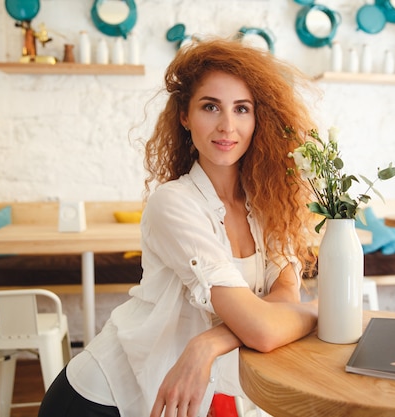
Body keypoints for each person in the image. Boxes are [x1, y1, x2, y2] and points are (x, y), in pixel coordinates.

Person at [38, 37, 319, 417]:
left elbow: (283, 301)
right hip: (103, 398)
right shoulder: (173, 203)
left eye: (242, 109)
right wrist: (320, 311)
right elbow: (264, 328)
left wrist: (208, 343)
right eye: (210, 107)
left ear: (259, 119)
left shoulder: (268, 205)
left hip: (166, 395)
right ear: (185, 116)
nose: (227, 125)